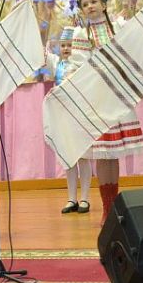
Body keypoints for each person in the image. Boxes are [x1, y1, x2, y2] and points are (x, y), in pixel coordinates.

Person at [67, 0, 143, 224]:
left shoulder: (119, 26)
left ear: (103, 4)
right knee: (102, 153)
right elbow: (78, 64)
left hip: (118, 96)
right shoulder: (81, 34)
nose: (90, 6)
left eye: (94, 2)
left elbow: (132, 50)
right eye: (85, 4)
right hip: (97, 97)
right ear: (81, 10)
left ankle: (114, 206)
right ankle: (106, 208)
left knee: (113, 155)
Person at [45, 29, 92, 214]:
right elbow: (43, 55)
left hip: (79, 115)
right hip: (63, 117)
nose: (66, 49)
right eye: (63, 45)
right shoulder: (57, 64)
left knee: (83, 157)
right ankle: (71, 198)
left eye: (70, 45)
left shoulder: (82, 64)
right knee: (68, 158)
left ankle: (85, 198)